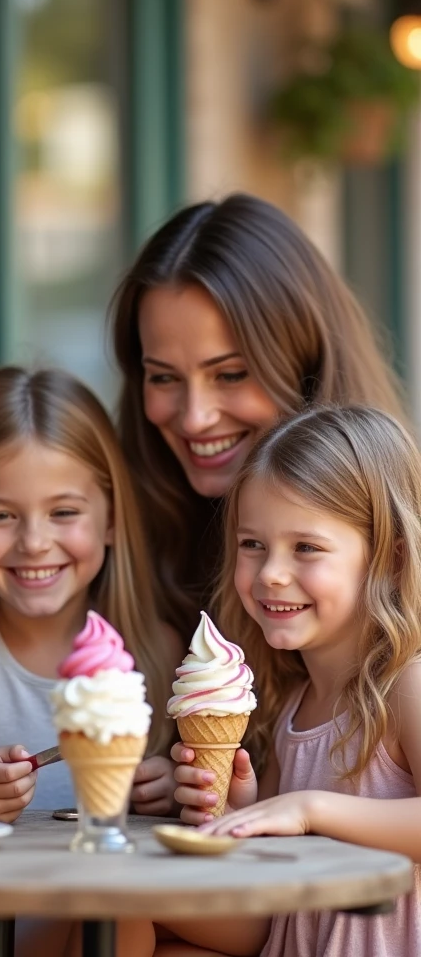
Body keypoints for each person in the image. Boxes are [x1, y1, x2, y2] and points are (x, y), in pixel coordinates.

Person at [158, 406, 421, 957]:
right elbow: (280, 884)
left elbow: (308, 815)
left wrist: (306, 808)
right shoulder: (294, 702)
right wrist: (239, 811)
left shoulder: (407, 687)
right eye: (252, 544)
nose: (271, 572)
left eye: (306, 547)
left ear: (389, 559)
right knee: (124, 919)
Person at [110, 194, 406, 641]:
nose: (194, 418)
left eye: (230, 374)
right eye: (164, 378)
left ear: (305, 363)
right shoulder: (114, 539)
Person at [0, 366, 180, 823]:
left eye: (63, 511)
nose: (34, 542)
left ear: (110, 520)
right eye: (1, 516)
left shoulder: (158, 650)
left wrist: (170, 788)